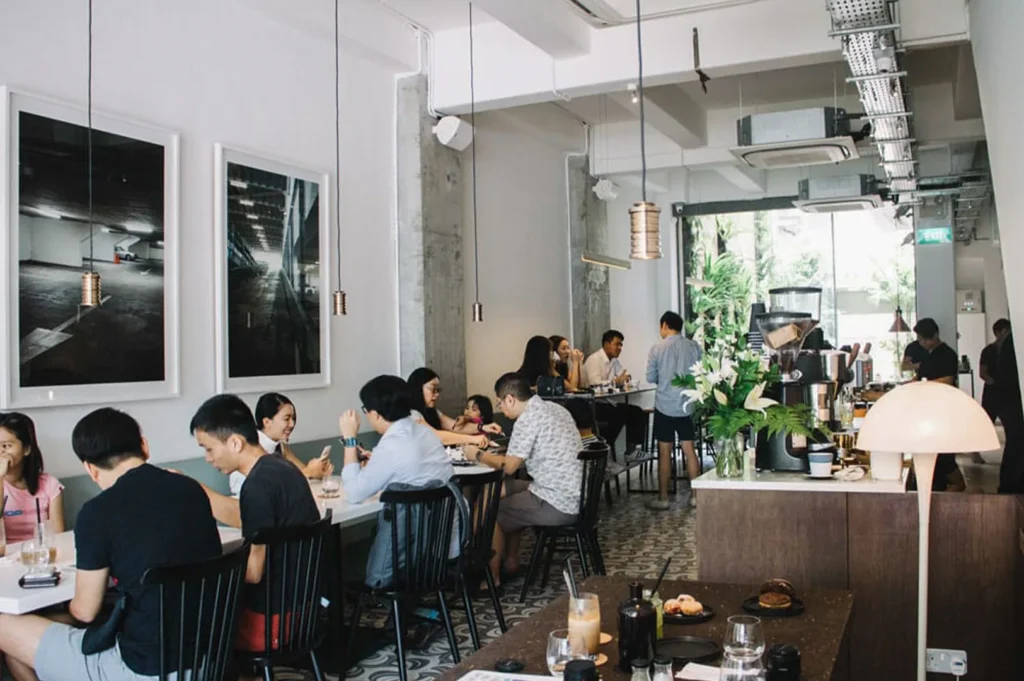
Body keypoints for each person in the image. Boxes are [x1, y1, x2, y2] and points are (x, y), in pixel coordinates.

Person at [0, 408, 222, 681]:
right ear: (144, 446)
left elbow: (85, 611)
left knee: (4, 627)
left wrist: (60, 614)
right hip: (209, 661)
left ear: (90, 468)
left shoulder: (97, 513)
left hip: (142, 670)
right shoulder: (191, 489)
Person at [190, 394, 320, 654]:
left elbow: (253, 573)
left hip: (273, 617)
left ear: (235, 443)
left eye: (209, 448)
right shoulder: (283, 469)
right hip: (304, 606)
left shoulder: (256, 486)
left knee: (195, 618)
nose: (208, 458)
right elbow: (250, 516)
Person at [338, 375, 458, 586]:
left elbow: (355, 493)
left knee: (346, 557)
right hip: (439, 549)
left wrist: (349, 440)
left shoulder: (392, 444)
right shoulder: (425, 433)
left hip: (409, 558)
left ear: (374, 413)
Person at [465, 373, 582, 588]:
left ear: (510, 399)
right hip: (573, 492)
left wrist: (478, 455)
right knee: (499, 489)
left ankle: (491, 579)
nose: (501, 408)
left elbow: (509, 467)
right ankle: (509, 561)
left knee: (493, 511)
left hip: (557, 502)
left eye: (500, 403)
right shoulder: (556, 408)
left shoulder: (527, 419)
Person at [645, 311, 703, 510]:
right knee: (690, 450)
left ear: (664, 325)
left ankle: (663, 499)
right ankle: (695, 496)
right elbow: (700, 372)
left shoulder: (657, 348)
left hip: (665, 406)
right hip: (687, 405)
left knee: (664, 451)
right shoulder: (693, 346)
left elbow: (650, 377)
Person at [229, 393, 333, 496]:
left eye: (293, 418)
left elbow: (301, 472)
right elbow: (266, 487)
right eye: (286, 419)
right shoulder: (250, 447)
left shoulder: (281, 446)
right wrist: (309, 472)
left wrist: (317, 472)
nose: (292, 424)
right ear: (267, 422)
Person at [908, 318, 965, 491]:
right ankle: (935, 488)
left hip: (944, 409)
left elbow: (948, 379)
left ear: (935, 336)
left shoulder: (947, 354)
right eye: (920, 340)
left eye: (925, 339)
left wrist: (924, 385)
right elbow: (920, 376)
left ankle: (957, 486)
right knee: (931, 452)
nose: (922, 343)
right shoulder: (927, 355)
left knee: (943, 454)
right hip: (929, 410)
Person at [0, 413, 65, 543]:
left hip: (40, 557)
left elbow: (58, 537)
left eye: (6, 446)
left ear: (26, 449)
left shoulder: (49, 485)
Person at [581, 330, 647, 456]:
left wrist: (626, 379)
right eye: (617, 344)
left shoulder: (614, 361)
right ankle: (607, 453)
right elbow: (594, 385)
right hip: (592, 406)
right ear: (606, 344)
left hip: (606, 402)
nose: (619, 348)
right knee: (618, 416)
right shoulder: (594, 360)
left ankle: (631, 452)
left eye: (621, 345)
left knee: (636, 412)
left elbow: (622, 376)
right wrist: (616, 382)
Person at [408, 367, 497, 446]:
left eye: (438, 390)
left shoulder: (433, 412)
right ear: (418, 388)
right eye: (432, 389)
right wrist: (473, 439)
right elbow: (436, 436)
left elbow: (456, 427)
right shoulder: (411, 414)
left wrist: (483, 427)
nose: (437, 394)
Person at [997, 332, 1024, 493]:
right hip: (1013, 399)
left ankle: (1009, 485)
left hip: (1009, 398)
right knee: (1017, 443)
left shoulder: (1011, 339)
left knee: (1015, 443)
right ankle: (1011, 485)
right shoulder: (1013, 340)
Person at [980, 319, 1012, 422]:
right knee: (987, 422)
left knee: (1011, 424)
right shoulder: (988, 351)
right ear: (998, 333)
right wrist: (994, 383)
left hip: (1008, 392)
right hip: (992, 392)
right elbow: (982, 373)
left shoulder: (1011, 350)